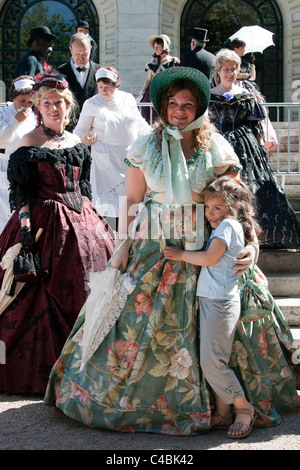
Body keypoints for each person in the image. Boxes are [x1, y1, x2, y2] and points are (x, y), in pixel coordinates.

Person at [45, 67, 299, 435]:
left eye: (187, 104)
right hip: (156, 241)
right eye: (172, 104)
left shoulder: (215, 146)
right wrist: (122, 246)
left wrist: (253, 243)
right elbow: (132, 199)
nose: (179, 111)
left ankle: (229, 402)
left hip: (208, 243)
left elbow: (237, 202)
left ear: (199, 108)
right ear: (163, 106)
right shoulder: (145, 145)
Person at [0, 72, 114, 394]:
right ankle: (48, 372)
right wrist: (25, 236)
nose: (54, 108)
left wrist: (95, 224)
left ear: (69, 107)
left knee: (96, 288)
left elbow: (84, 188)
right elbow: (22, 195)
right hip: (43, 226)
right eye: (47, 102)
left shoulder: (78, 144)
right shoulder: (29, 143)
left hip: (84, 224)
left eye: (60, 103)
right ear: (38, 106)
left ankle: (90, 365)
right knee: (37, 297)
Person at [164, 176, 261, 438]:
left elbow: (209, 258)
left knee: (211, 363)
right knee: (217, 359)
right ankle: (222, 414)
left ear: (234, 208)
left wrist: (180, 255)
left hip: (220, 302)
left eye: (217, 207)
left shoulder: (228, 226)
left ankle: (243, 409)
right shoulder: (226, 226)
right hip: (213, 300)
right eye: (207, 207)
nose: (210, 214)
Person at [209, 49, 300, 249]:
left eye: (234, 69)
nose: (230, 73)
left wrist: (260, 149)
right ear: (218, 70)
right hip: (217, 146)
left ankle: (251, 235)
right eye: (226, 69)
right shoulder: (209, 96)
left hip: (244, 146)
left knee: (250, 188)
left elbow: (255, 127)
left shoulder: (245, 95)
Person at [74, 66, 150, 231]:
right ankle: (107, 243)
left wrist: (152, 136)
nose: (103, 90)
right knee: (107, 208)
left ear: (117, 84)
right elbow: (79, 132)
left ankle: (129, 241)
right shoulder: (91, 103)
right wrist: (84, 139)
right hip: (105, 164)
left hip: (130, 158)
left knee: (132, 202)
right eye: (100, 87)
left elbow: (140, 124)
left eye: (108, 86)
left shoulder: (128, 99)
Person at [224, 38, 277, 150]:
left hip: (247, 87)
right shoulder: (229, 62)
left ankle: (261, 137)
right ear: (236, 49)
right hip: (234, 86)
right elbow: (230, 75)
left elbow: (252, 77)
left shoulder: (245, 63)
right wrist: (241, 76)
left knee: (256, 107)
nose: (244, 51)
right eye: (242, 48)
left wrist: (252, 65)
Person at [0, 76, 36, 232]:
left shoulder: (34, 117)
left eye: (30, 102)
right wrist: (15, 121)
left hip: (25, 169)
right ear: (13, 97)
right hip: (4, 167)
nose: (26, 106)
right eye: (22, 101)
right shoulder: (3, 113)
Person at [58, 32, 101, 127]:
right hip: (68, 129)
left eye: (84, 53)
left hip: (94, 129)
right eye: (77, 53)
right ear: (71, 50)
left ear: (90, 49)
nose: (81, 57)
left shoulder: (100, 72)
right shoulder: (59, 73)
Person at [137, 34, 180, 124]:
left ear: (164, 47)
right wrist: (142, 93)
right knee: (148, 116)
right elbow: (149, 79)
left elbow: (175, 79)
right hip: (152, 93)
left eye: (158, 47)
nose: (155, 49)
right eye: (154, 47)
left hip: (167, 92)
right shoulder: (152, 62)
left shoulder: (172, 61)